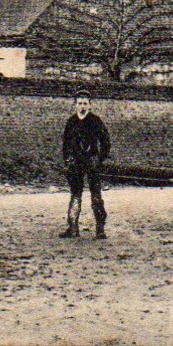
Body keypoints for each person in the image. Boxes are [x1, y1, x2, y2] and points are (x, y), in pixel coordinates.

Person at [60, 92, 112, 239]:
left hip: (91, 162)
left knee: (96, 194)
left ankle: (100, 229)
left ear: (90, 104)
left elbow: (106, 141)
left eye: (85, 103)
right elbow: (66, 143)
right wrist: (67, 160)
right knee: (75, 194)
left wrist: (99, 158)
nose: (82, 106)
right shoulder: (71, 121)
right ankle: (73, 227)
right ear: (75, 104)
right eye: (80, 103)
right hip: (75, 163)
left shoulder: (95, 121)